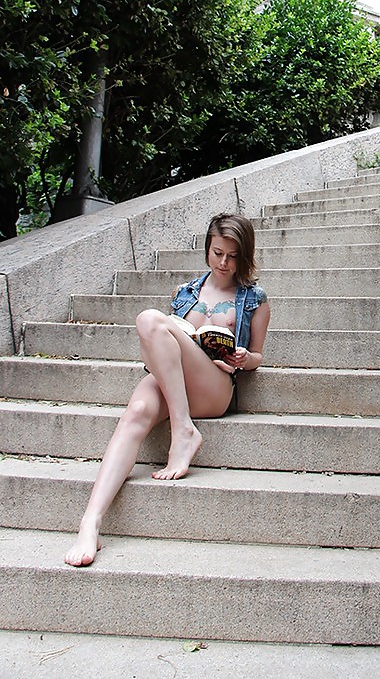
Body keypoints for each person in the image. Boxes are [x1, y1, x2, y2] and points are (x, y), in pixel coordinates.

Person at [64, 213, 270, 567]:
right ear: (207, 248)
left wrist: (243, 357)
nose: (223, 262)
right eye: (217, 252)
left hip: (215, 387)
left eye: (232, 256)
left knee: (148, 318)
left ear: (243, 255)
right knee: (137, 413)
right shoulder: (185, 293)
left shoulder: (254, 299)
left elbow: (258, 358)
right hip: (176, 384)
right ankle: (90, 522)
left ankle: (184, 429)